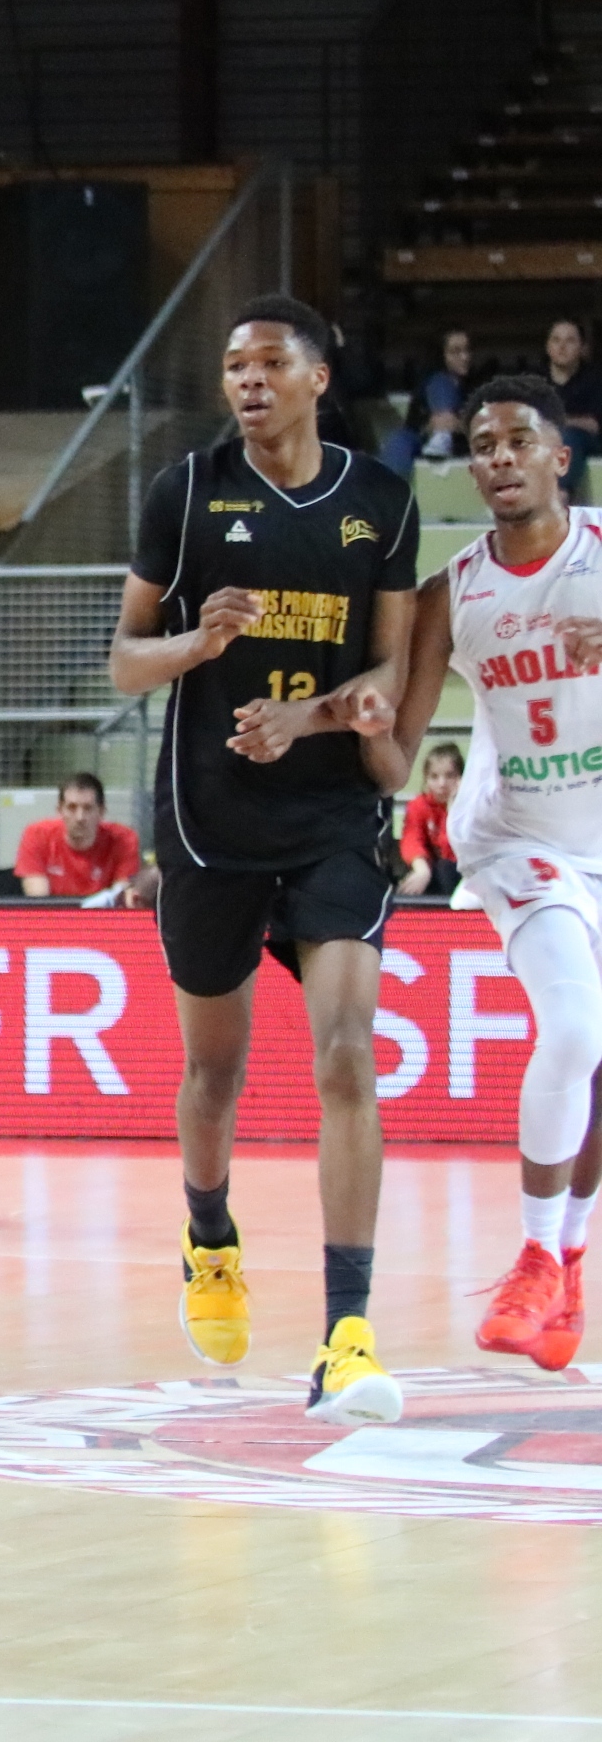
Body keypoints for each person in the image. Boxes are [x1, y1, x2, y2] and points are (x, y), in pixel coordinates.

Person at [110, 292, 417, 1425]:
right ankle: (210, 1237)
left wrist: (314, 719)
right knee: (216, 1075)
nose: (246, 379)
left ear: (317, 378)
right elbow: (124, 664)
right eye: (233, 364)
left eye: (269, 362)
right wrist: (200, 641)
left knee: (346, 1055)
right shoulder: (184, 492)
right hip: (211, 822)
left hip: (332, 815)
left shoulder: (377, 502)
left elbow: (384, 687)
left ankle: (347, 1333)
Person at [375, 378, 602, 1368]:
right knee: (575, 1029)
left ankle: (568, 1258)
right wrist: (345, 730)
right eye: (482, 443)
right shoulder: (452, 592)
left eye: (519, 439)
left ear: (561, 457)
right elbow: (405, 738)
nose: (499, 457)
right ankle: (534, 1255)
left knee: (595, 1066)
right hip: (521, 839)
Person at [14, 773, 141, 900]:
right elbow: (39, 902)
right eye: (71, 808)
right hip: (54, 918)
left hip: (101, 918)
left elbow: (120, 900)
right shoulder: (36, 834)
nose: (80, 817)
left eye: (88, 808)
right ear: (60, 811)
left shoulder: (124, 839)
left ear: (101, 812)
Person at [383, 328, 473, 473]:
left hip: (459, 441)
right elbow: (413, 424)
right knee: (398, 440)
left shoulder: (476, 386)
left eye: (467, 350)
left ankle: (442, 437)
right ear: (441, 355)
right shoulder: (430, 381)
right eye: (456, 352)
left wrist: (455, 425)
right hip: (423, 440)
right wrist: (430, 427)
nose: (464, 357)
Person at [398, 742, 463, 899]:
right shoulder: (418, 805)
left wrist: (453, 808)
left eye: (450, 775)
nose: (442, 784)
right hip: (431, 872)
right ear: (426, 779)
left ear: (461, 777)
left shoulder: (473, 807)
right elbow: (411, 840)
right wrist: (422, 870)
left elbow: (452, 852)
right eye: (434, 776)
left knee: (445, 868)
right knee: (411, 874)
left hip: (461, 873)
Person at [552, 319, 602, 504]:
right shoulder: (535, 381)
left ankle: (561, 496)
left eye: (570, 341)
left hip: (585, 443)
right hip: (545, 442)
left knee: (570, 437)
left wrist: (559, 421)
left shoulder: (595, 379)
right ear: (548, 346)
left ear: (581, 347)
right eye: (556, 340)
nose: (562, 347)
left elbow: (594, 425)